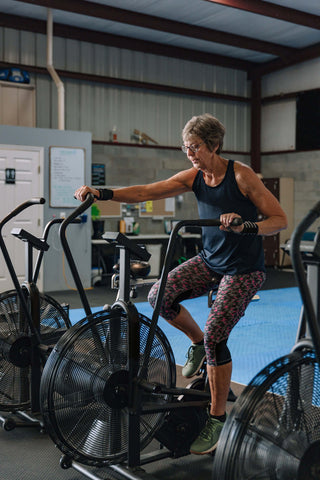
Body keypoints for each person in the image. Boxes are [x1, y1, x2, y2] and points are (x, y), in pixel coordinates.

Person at [74, 113, 287, 455]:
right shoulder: (195, 176)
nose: (189, 153)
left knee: (218, 331)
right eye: (186, 147)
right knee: (159, 294)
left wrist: (246, 226)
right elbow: (147, 190)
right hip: (209, 260)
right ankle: (196, 342)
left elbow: (279, 220)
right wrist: (102, 192)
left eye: (196, 147)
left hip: (244, 270)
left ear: (214, 145)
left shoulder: (242, 176)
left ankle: (216, 418)